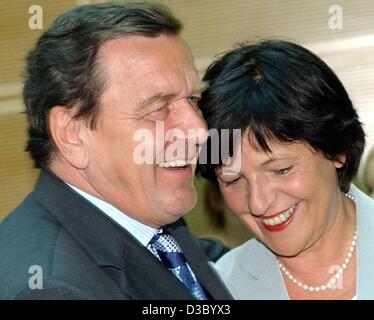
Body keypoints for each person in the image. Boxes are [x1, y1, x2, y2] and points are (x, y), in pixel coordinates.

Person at [0, 2, 232, 300]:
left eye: (192, 99)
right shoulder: (52, 289)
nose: (199, 131)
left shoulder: (142, 215)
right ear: (71, 134)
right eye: (159, 109)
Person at [198, 40, 374, 299]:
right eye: (233, 180)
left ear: (338, 150)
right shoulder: (221, 290)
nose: (258, 203)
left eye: (281, 170)